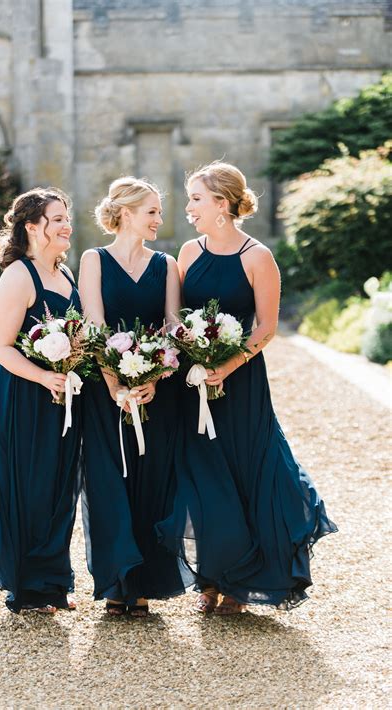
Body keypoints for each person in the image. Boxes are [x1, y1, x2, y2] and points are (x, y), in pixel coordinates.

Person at [156, 161, 337, 614]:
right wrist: (188, 347)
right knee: (201, 475)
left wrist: (228, 364)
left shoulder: (258, 257)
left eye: (196, 198)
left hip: (240, 383)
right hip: (191, 382)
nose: (189, 207)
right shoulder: (190, 252)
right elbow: (174, 316)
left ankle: (243, 582)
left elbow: (267, 326)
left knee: (246, 469)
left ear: (222, 204)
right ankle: (212, 576)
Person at [79, 177, 191, 617]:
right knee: (108, 482)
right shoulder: (94, 259)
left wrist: (155, 378)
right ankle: (114, 582)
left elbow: (171, 327)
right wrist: (114, 384)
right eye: (152, 212)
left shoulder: (166, 264)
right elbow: (94, 325)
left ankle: (143, 584)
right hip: (104, 392)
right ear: (125, 212)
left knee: (152, 481)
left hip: (155, 393)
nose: (159, 220)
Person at [0, 187, 83, 614]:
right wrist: (44, 376)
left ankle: (53, 581)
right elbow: (1, 347)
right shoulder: (19, 277)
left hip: (62, 396)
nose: (66, 225)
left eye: (66, 217)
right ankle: (28, 585)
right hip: (24, 395)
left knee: (58, 486)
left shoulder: (65, 272)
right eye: (57, 219)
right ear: (33, 227)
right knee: (29, 486)